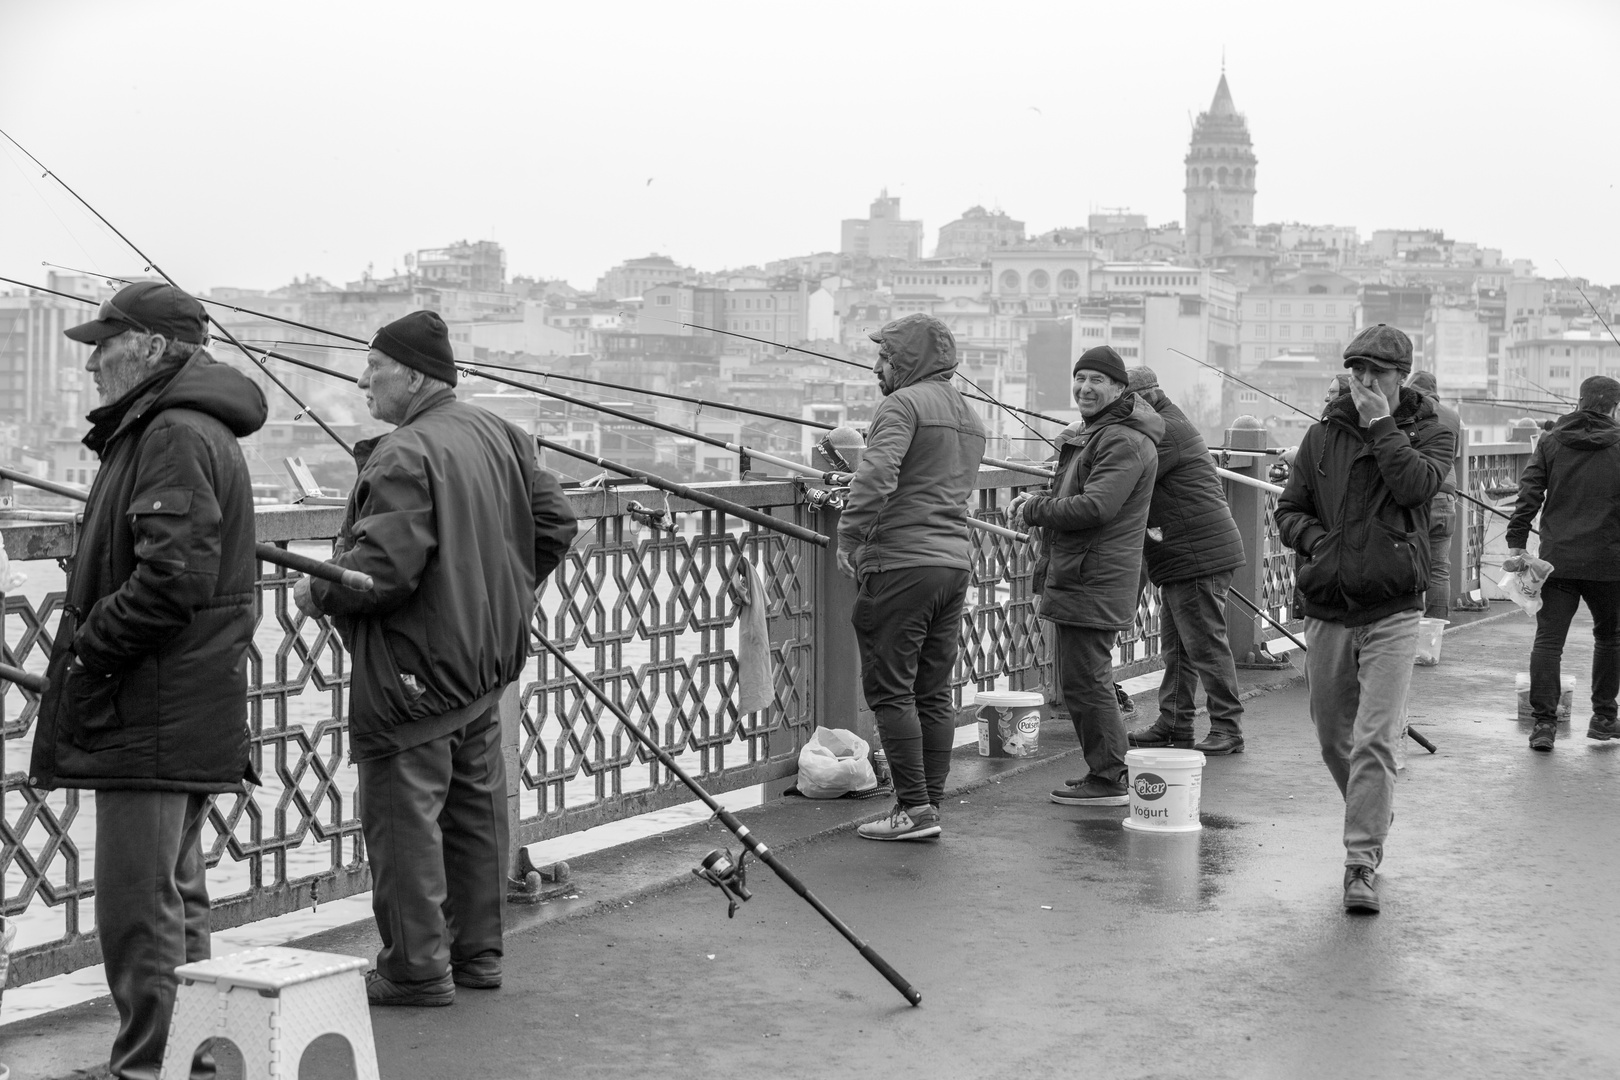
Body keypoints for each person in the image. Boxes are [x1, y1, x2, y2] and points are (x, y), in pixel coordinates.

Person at [294, 310, 577, 1004]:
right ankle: (478, 957)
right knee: (475, 817)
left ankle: (416, 970)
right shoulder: (503, 435)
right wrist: (499, 591)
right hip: (484, 664)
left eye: (375, 366)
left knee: (406, 823)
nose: (363, 379)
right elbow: (556, 526)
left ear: (415, 375)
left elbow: (380, 573)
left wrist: (315, 590)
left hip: (413, 673)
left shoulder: (402, 454)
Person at [31, 282, 267, 1079]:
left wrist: (91, 649)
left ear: (155, 349)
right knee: (176, 900)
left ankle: (149, 1069)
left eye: (106, 344)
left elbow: (173, 577)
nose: (92, 361)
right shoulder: (180, 428)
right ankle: (189, 1063)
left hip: (152, 707)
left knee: (139, 911)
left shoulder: (170, 433)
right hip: (179, 704)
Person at [1275, 324, 1454, 914]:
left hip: (1394, 606)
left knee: (1376, 737)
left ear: (1401, 376)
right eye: (1357, 369)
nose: (1365, 380)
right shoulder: (1322, 434)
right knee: (1333, 736)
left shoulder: (1431, 431)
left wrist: (1380, 426)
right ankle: (1372, 811)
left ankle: (1360, 862)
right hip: (1328, 603)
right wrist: (1317, 542)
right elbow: (1289, 509)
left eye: (1377, 371)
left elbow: (1416, 488)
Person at [838, 313, 986, 841]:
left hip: (900, 561)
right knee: (932, 691)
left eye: (885, 357)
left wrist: (850, 536)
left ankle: (913, 809)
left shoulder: (900, 404)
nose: (877, 367)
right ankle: (929, 805)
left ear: (905, 360)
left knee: (891, 690)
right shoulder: (970, 416)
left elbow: (878, 475)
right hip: (952, 565)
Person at [1011, 345, 1161, 807]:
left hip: (1094, 574)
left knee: (1087, 679)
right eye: (1080, 379)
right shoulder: (1102, 434)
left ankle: (1110, 775)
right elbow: (1084, 493)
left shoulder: (1121, 439)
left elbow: (1098, 506)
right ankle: (1107, 770)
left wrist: (1034, 507)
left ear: (1120, 388)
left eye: (1098, 380)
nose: (1085, 388)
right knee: (1084, 677)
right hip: (1086, 571)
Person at [1122, 367, 1247, 755]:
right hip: (1185, 552)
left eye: (1124, 402)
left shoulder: (1166, 432)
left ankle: (1228, 727)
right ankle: (1175, 722)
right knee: (1178, 648)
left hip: (1196, 553)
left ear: (1144, 397)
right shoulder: (1165, 425)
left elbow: (1124, 476)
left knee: (1205, 646)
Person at [1504, 375, 1620, 750]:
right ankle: (1603, 719)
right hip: (1610, 560)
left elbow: (1530, 492)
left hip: (1558, 561)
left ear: (1580, 401)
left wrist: (1516, 543)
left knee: (1549, 641)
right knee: (1610, 637)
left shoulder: (1551, 440)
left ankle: (1543, 726)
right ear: (1614, 407)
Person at [1406, 370, 1461, 622]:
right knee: (1440, 568)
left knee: (1406, 566)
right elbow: (1453, 455)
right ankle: (1436, 632)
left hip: (1416, 494)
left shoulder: (1406, 410)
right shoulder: (1452, 416)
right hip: (1446, 495)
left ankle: (1406, 631)